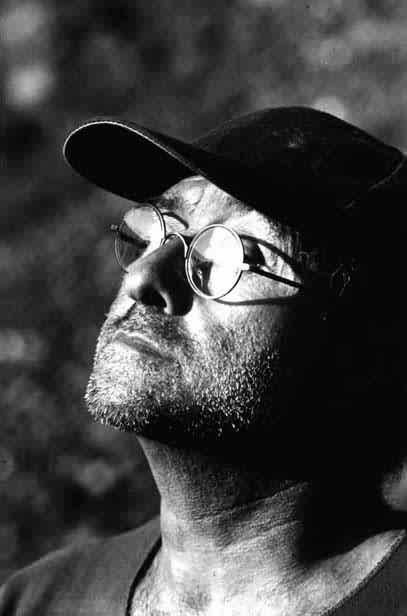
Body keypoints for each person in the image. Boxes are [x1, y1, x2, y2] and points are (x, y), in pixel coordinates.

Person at [1, 106, 406, 615]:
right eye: (155, 232)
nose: (143, 278)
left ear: (362, 342)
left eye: (234, 255)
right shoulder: (35, 601)